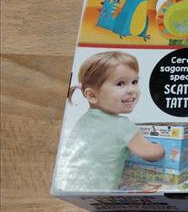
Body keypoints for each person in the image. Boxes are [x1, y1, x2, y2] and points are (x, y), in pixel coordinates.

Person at [53, 51, 164, 192]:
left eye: (134, 82)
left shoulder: (84, 119)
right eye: (120, 83)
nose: (131, 90)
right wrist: (160, 147)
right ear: (92, 95)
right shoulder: (122, 125)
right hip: (100, 192)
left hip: (67, 187)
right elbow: (151, 153)